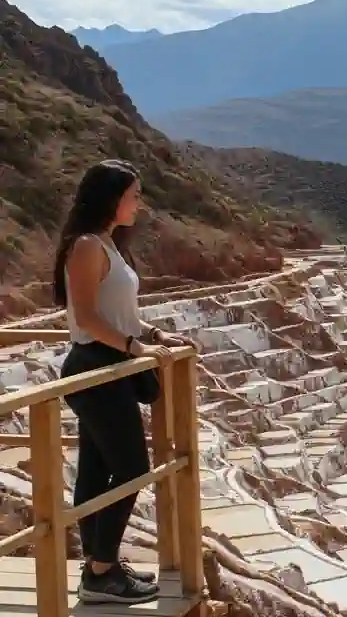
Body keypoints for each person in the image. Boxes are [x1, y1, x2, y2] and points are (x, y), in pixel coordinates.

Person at [52, 160, 195, 605]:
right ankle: (100, 570)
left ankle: (101, 563)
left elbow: (120, 314)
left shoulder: (109, 245)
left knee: (97, 468)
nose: (139, 203)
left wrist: (152, 334)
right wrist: (136, 347)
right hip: (96, 366)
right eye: (134, 195)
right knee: (133, 467)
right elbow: (89, 318)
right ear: (111, 198)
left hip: (111, 364)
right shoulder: (87, 247)